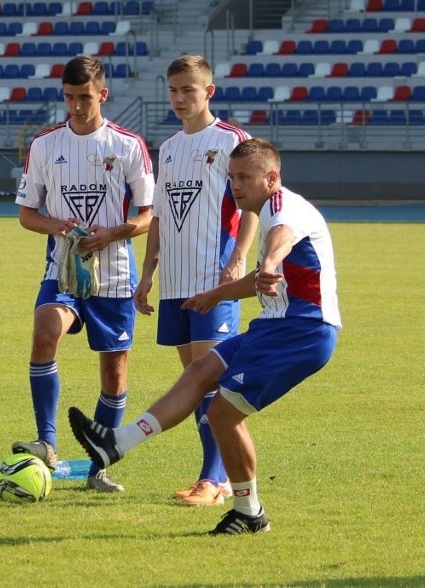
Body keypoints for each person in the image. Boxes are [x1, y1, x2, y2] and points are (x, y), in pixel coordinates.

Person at [69, 138, 341, 533]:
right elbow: (263, 280)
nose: (236, 185)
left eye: (245, 177)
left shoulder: (281, 207)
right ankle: (115, 444)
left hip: (302, 331)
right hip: (277, 326)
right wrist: (216, 294)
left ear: (272, 178)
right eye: (231, 177)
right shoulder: (270, 208)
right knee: (200, 372)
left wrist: (267, 260)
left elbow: (282, 238)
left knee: (222, 414)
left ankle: (249, 512)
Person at [12, 55, 155, 492]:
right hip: (64, 272)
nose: (76, 106)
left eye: (85, 97)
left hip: (114, 277)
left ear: (102, 95)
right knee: (44, 332)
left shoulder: (128, 146)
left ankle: (98, 470)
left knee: (114, 373)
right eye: (70, 97)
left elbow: (150, 215)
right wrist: (57, 226)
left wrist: (112, 232)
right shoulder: (44, 146)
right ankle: (47, 442)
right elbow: (25, 213)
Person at [133, 55, 258, 506]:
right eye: (173, 90)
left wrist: (239, 260)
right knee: (193, 383)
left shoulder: (231, 141)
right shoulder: (166, 149)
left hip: (214, 281)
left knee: (208, 384)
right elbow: (161, 219)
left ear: (210, 91)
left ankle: (214, 479)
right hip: (176, 284)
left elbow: (251, 206)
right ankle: (212, 476)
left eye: (189, 89)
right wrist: (148, 272)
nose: (180, 98)